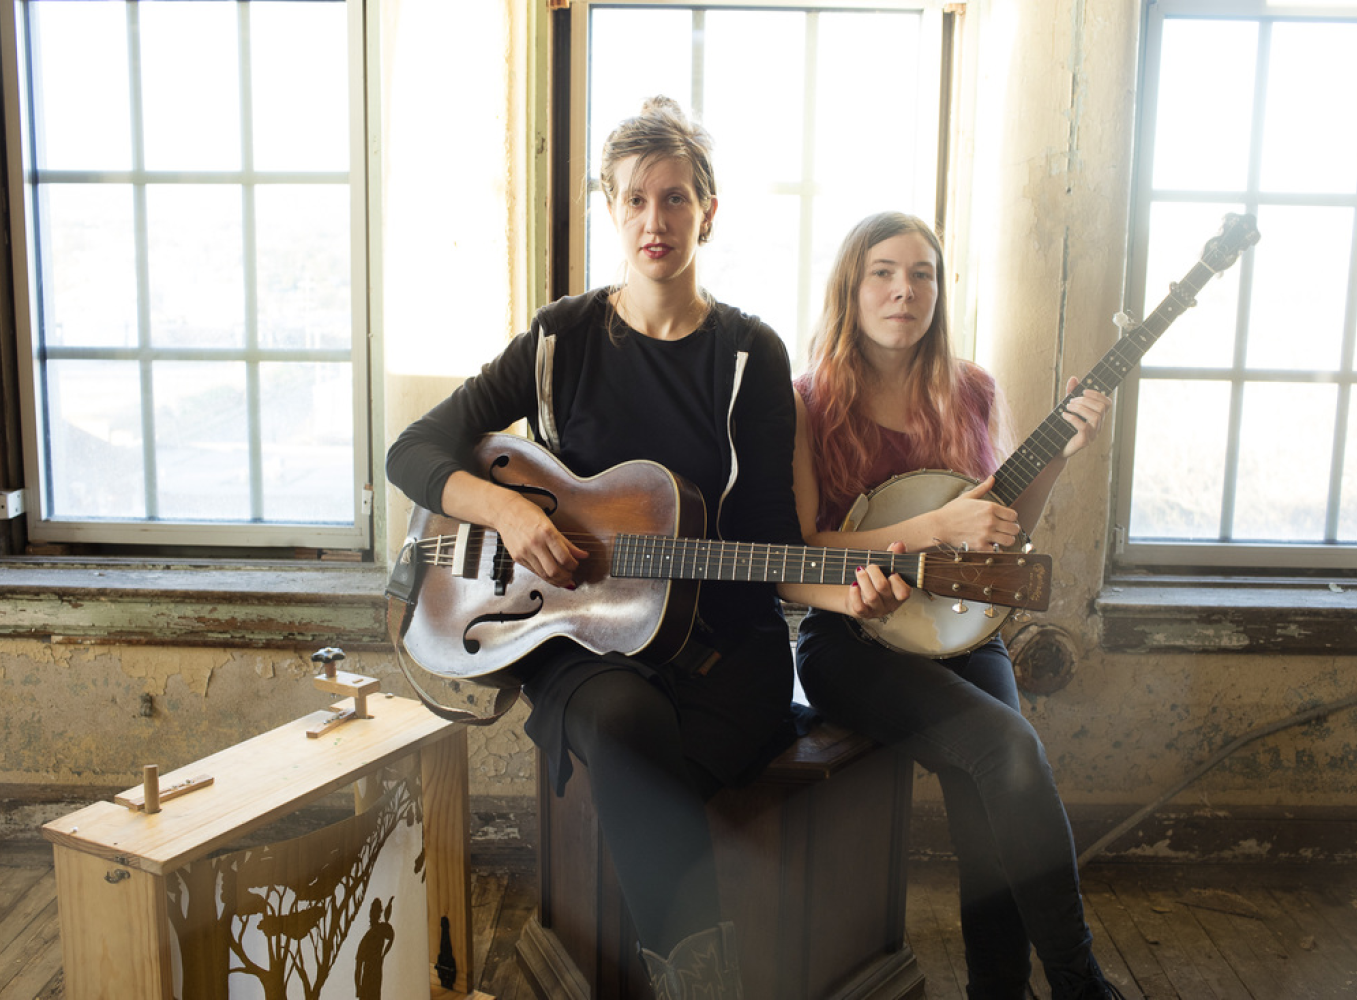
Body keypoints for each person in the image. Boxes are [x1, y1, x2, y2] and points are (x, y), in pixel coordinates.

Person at [386, 97, 887, 1000]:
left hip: (723, 643)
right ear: (610, 211)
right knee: (621, 723)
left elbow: (773, 541)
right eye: (635, 201)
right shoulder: (559, 339)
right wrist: (505, 512)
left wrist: (850, 592)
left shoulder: (748, 356)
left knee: (638, 764)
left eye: (676, 199)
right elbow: (412, 451)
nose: (655, 221)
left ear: (709, 210)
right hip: (576, 636)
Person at [790, 211, 1124, 1000]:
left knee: (991, 790)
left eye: (923, 273)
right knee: (1006, 750)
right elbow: (803, 547)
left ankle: (998, 989)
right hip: (852, 639)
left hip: (964, 632)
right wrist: (934, 527)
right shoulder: (807, 402)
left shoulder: (971, 390)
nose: (905, 289)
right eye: (883, 271)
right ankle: (1082, 986)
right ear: (851, 286)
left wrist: (1057, 457)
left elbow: (999, 538)